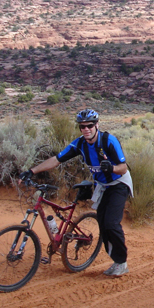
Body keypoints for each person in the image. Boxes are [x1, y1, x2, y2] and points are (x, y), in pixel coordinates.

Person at [19, 108, 133, 278]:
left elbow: (123, 168)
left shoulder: (109, 141)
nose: (86, 129)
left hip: (118, 183)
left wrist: (112, 168)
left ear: (97, 125)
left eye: (90, 125)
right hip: (102, 185)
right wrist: (32, 171)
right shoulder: (79, 144)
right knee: (103, 224)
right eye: (82, 126)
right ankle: (116, 261)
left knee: (111, 223)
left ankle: (121, 262)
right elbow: (57, 159)